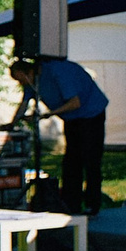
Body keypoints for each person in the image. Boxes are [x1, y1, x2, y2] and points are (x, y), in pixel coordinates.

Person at [8, 55, 110, 215]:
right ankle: (71, 204)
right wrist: (12, 124)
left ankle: (92, 204)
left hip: (91, 114)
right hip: (72, 118)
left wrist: (48, 114)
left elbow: (75, 102)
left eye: (20, 79)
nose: (20, 84)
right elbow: (24, 103)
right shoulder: (32, 81)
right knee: (71, 161)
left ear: (27, 72)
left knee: (91, 160)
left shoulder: (58, 71)